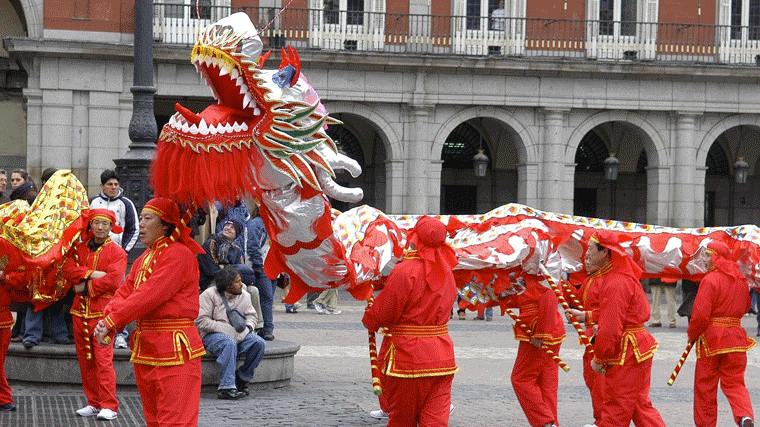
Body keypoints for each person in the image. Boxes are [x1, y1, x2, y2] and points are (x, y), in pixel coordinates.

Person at [94, 197, 206, 427]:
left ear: (165, 224)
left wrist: (113, 321)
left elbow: (149, 294)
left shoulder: (179, 254)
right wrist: (107, 321)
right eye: (141, 218)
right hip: (146, 349)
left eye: (148, 218)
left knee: (175, 422)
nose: (141, 224)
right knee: (154, 421)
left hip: (174, 349)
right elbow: (124, 292)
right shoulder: (145, 258)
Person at [362, 216, 459, 426]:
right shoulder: (448, 272)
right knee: (435, 421)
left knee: (401, 420)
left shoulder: (404, 270)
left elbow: (385, 311)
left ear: (416, 239)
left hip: (409, 358)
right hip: (442, 358)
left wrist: (370, 318)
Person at [587, 230, 665, 427]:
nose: (586, 253)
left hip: (627, 351)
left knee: (616, 408)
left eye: (590, 248)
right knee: (639, 406)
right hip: (637, 346)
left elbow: (611, 328)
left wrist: (599, 357)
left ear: (604, 252)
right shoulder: (620, 276)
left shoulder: (615, 281)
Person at [63, 209, 127, 420]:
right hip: (79, 312)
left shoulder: (117, 252)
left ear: (111, 228)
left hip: (103, 313)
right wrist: (93, 274)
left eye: (105, 224)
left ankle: (109, 404)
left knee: (103, 359)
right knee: (86, 360)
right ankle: (93, 402)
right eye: (97, 223)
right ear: (90, 225)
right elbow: (69, 271)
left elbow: (114, 280)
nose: (100, 227)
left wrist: (86, 286)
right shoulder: (78, 248)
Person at [687, 240, 755, 427]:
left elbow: (700, 314)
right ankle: (744, 415)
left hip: (711, 339)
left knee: (705, 386)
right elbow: (746, 306)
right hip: (736, 337)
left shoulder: (710, 279)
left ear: (716, 257)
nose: (706, 259)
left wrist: (692, 334)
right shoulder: (741, 280)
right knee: (735, 383)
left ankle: (706, 424)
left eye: (708, 255)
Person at [195, 266, 266, 399]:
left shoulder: (245, 295)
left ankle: (243, 377)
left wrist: (248, 328)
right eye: (238, 282)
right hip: (213, 335)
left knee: (259, 343)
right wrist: (224, 328)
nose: (241, 284)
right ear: (227, 285)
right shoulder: (209, 295)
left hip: (240, 333)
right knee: (229, 343)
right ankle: (226, 387)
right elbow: (201, 321)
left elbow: (252, 316)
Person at [89, 170, 139, 350]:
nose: (113, 187)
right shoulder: (93, 202)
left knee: (120, 293)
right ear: (102, 186)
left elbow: (134, 229)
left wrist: (123, 251)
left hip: (117, 255)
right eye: (110, 184)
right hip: (95, 253)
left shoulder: (126, 203)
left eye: (116, 184)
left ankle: (120, 334)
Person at [509, 276, 565, 427]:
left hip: (537, 329)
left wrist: (541, 332)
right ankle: (551, 422)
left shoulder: (547, 269)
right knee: (546, 385)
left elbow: (549, 297)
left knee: (521, 379)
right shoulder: (535, 272)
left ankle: (545, 422)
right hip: (546, 328)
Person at [565, 244, 609, 427]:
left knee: (599, 382)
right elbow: (577, 299)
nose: (587, 262)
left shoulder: (605, 281)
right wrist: (561, 283)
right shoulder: (590, 280)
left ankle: (602, 420)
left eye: (591, 258)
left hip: (599, 334)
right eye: (586, 259)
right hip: (590, 334)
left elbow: (608, 311)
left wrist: (586, 316)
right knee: (590, 378)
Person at [197, 219, 263, 330]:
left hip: (230, 280)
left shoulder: (236, 249)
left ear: (236, 234)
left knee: (254, 290)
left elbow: (240, 272)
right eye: (226, 225)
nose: (227, 228)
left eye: (232, 227)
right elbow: (211, 271)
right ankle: (236, 324)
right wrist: (230, 271)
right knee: (243, 288)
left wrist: (226, 269)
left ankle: (256, 326)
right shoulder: (211, 243)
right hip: (211, 282)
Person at [247, 206, 275, 341]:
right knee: (267, 297)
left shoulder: (271, 222)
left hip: (271, 266)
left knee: (268, 298)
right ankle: (266, 328)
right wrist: (257, 264)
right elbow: (252, 244)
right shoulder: (257, 222)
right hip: (263, 265)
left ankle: (265, 327)